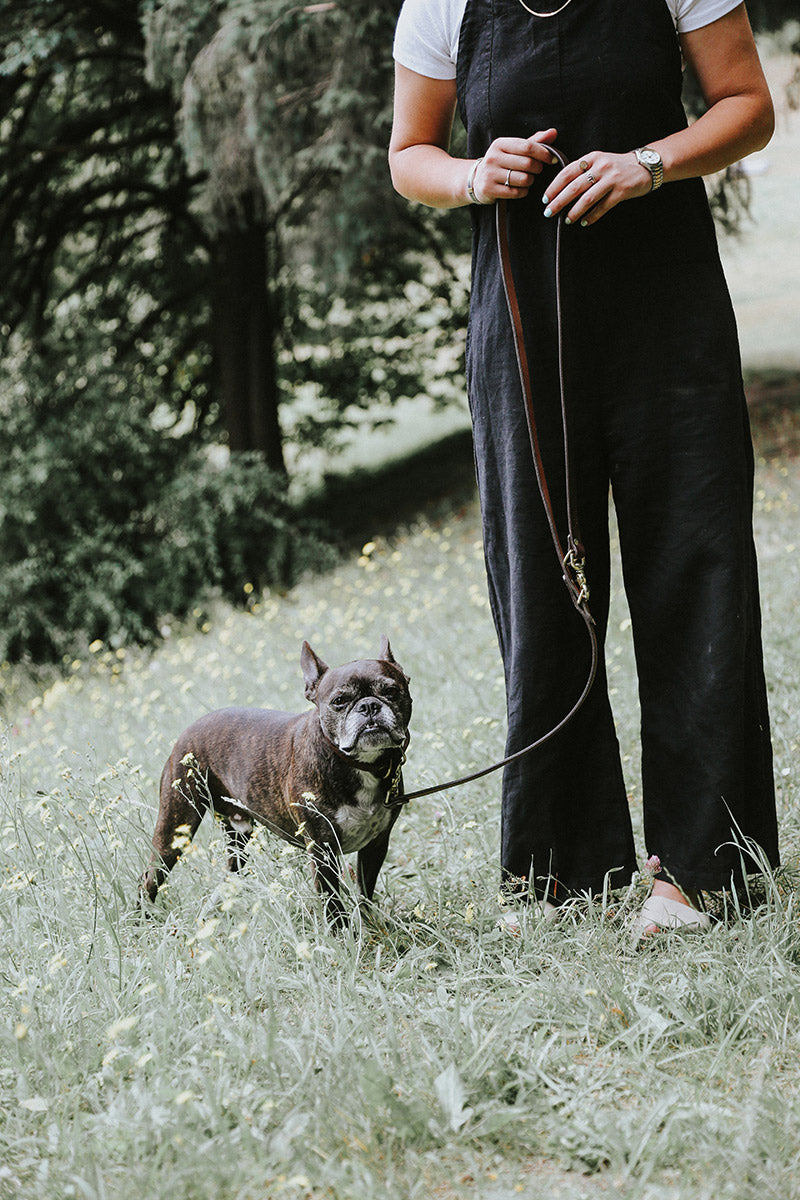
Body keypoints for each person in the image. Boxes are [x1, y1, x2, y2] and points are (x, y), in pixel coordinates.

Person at [389, 0, 779, 938]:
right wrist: (474, 176)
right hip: (522, 324)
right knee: (540, 590)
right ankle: (565, 878)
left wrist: (649, 164)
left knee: (697, 571)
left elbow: (748, 105)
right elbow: (410, 155)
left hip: (669, 312)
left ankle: (704, 874)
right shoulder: (440, 3)